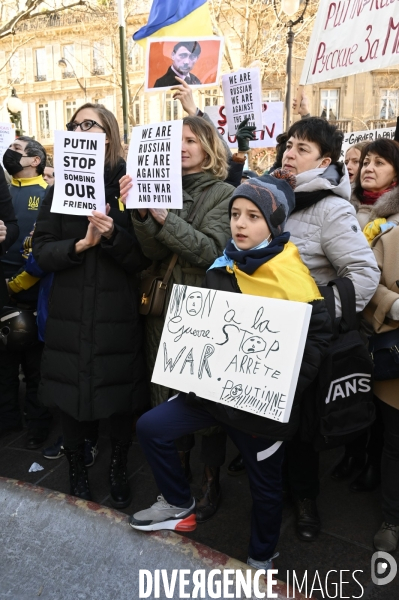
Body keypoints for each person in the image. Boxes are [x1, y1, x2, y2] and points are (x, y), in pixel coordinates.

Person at [129, 173, 332, 573]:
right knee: (152, 427)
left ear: (273, 225)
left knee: (265, 488)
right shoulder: (221, 267)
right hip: (212, 398)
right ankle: (178, 502)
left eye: (253, 216)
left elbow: (318, 343)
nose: (239, 223)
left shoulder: (297, 281)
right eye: (235, 213)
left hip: (261, 410)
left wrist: (280, 384)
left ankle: (262, 556)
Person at [32, 102, 149, 507]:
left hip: (115, 314)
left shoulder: (128, 187)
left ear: (109, 134)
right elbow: (41, 252)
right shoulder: (56, 189)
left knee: (117, 396)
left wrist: (114, 234)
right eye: (75, 124)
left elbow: (142, 259)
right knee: (71, 397)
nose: (81, 129)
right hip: (69, 313)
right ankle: (77, 472)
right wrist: (79, 245)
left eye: (90, 124)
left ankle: (118, 466)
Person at [119, 115, 234, 520]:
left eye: (191, 139)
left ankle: (210, 478)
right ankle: (177, 474)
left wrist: (166, 217)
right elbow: (152, 254)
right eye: (177, 141)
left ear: (209, 147)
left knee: (206, 403)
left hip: (202, 312)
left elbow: (209, 251)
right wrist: (141, 212)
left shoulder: (225, 193)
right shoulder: (160, 185)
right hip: (163, 312)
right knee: (167, 396)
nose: (182, 146)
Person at [279, 117, 380, 542]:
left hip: (304, 336)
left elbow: (363, 272)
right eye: (288, 145)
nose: (289, 153)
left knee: (301, 426)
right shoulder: (270, 196)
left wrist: (319, 314)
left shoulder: (331, 208)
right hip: (265, 333)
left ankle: (305, 499)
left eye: (302, 149)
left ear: (325, 162)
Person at [350, 138, 399, 551]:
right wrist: (393, 303)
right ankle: (391, 519)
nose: (367, 167)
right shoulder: (384, 230)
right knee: (390, 437)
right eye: (365, 162)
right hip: (386, 345)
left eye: (378, 162)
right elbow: (369, 284)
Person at [0, 136, 52, 448]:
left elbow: (44, 250)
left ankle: (38, 425)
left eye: (18, 150)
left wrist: (20, 282)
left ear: (35, 160)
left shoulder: (47, 195)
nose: (10, 153)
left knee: (35, 366)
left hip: (31, 290)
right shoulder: (4, 190)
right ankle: (7, 418)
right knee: (4, 364)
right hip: (2, 290)